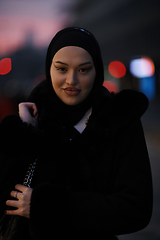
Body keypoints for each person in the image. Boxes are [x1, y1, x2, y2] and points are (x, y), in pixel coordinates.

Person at [0, 27, 152, 240]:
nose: (72, 80)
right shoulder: (33, 120)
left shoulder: (120, 121)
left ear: (96, 70)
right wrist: (25, 132)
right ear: (49, 69)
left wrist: (50, 207)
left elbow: (136, 209)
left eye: (83, 70)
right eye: (62, 69)